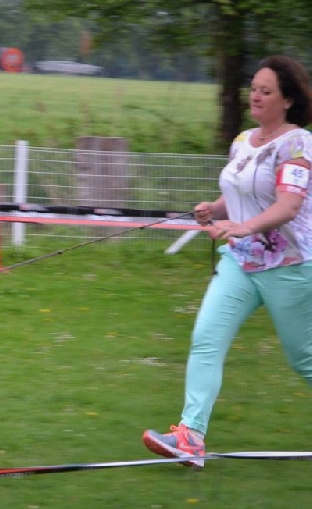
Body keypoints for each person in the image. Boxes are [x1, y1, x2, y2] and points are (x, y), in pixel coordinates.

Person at [142, 55, 312, 469]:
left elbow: (289, 206)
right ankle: (190, 436)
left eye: (266, 90)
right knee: (206, 338)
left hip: (289, 265)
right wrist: (215, 210)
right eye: (253, 87)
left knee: (304, 358)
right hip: (239, 264)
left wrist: (242, 226)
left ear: (287, 100)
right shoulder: (242, 141)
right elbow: (239, 192)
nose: (255, 95)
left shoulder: (297, 144)